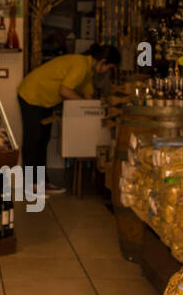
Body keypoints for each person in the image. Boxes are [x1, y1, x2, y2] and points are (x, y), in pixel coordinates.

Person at [16, 44, 121, 194]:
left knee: (43, 140)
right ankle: (30, 184)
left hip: (45, 100)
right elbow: (65, 91)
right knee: (33, 139)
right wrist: (84, 104)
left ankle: (41, 182)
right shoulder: (80, 65)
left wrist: (96, 109)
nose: (107, 71)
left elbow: (88, 95)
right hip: (31, 95)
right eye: (109, 67)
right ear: (103, 61)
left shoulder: (88, 70)